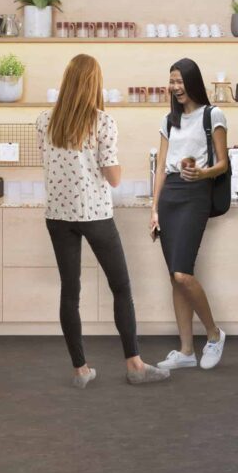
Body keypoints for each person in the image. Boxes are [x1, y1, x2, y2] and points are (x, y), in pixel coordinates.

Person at [37, 55, 169, 389]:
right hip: (94, 213)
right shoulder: (102, 122)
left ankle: (80, 370)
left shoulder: (44, 120)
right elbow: (112, 177)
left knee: (71, 291)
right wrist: (116, 166)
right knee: (121, 286)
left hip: (58, 215)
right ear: (94, 84)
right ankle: (135, 365)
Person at [150, 59, 230, 371]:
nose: (175, 87)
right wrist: (155, 208)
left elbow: (223, 163)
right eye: (171, 82)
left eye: (180, 81)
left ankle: (214, 334)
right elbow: (160, 167)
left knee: (183, 273)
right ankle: (185, 351)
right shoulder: (168, 119)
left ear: (192, 82)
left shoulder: (213, 115)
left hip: (196, 194)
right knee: (175, 277)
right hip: (170, 194)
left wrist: (202, 173)